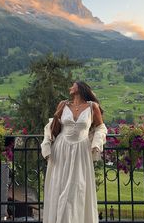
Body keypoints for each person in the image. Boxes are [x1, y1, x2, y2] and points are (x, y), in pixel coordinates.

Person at [41, 81, 108, 223]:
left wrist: (96, 143)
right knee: (59, 186)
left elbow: (101, 127)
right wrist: (47, 143)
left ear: (80, 88)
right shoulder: (63, 105)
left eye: (73, 85)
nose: (70, 87)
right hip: (61, 149)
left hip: (81, 151)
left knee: (77, 189)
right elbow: (53, 126)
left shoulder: (92, 107)